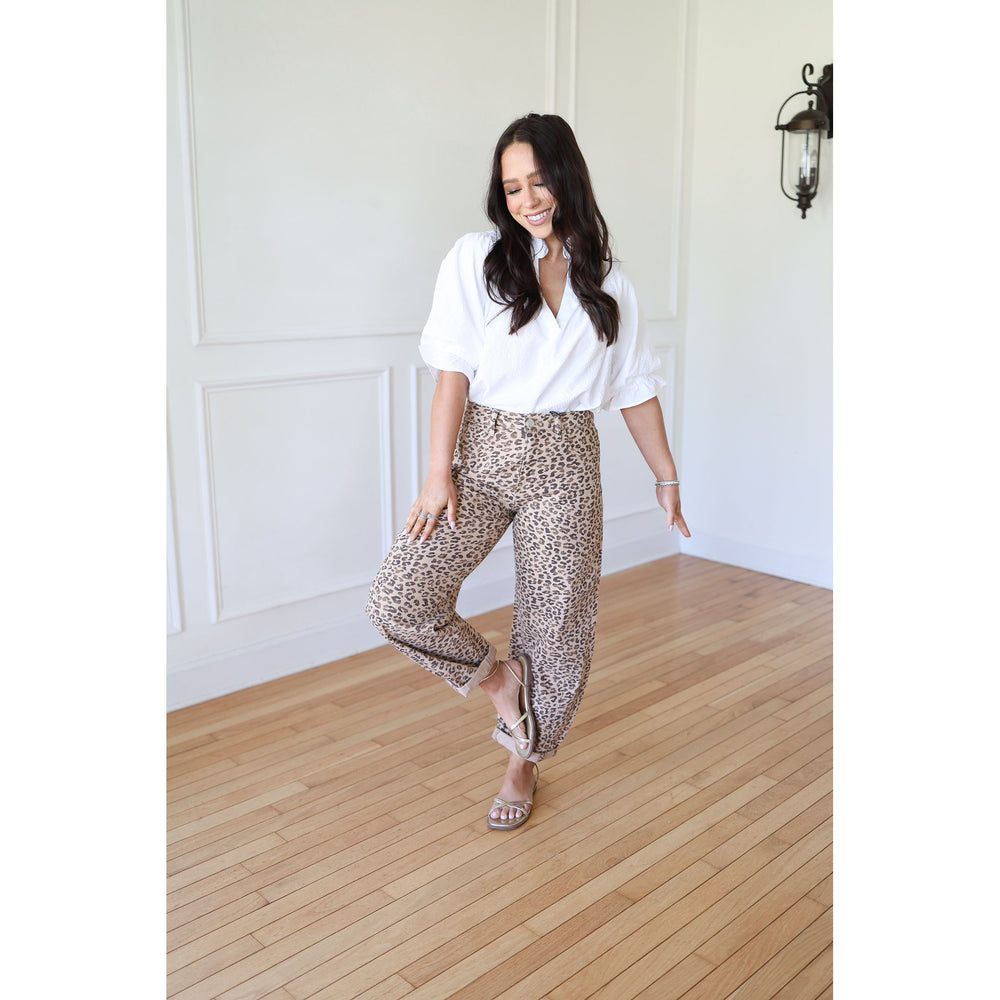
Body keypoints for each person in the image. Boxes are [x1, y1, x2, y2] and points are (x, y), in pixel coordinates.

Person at [367, 113, 689, 831]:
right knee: (399, 597)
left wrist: (666, 477)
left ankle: (523, 761)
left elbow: (635, 387)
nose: (526, 198)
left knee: (559, 629)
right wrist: (436, 472)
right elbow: (451, 369)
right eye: (512, 186)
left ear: (566, 178)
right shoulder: (476, 258)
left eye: (538, 181)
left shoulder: (612, 284)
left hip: (568, 461)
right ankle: (498, 681)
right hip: (481, 455)